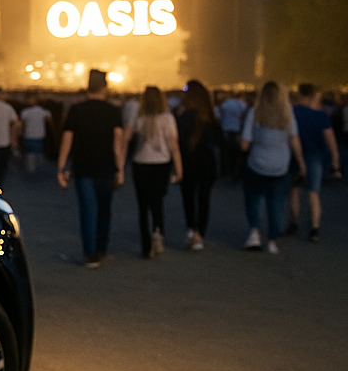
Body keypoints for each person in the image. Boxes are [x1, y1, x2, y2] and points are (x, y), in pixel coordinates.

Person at [56, 70, 125, 268]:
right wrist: (120, 170)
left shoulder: (76, 110)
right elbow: (117, 144)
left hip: (83, 167)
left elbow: (67, 140)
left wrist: (61, 168)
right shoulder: (113, 111)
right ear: (105, 87)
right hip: (106, 167)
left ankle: (90, 254)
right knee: (104, 210)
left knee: (88, 210)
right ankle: (102, 247)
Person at [240, 80, 304, 254]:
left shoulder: (255, 112)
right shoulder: (287, 113)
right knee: (276, 204)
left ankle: (254, 232)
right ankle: (273, 240)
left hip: (257, 164)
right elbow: (294, 139)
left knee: (253, 200)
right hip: (280, 166)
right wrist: (301, 161)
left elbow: (245, 144)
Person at [127, 86, 183, 258]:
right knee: (157, 201)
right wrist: (179, 170)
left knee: (143, 206)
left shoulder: (138, 118)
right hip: (161, 163)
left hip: (141, 162)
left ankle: (145, 245)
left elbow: (127, 139)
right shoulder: (167, 118)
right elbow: (174, 146)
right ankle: (157, 232)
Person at [288, 83, 341, 241]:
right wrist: (335, 159)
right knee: (313, 191)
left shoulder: (291, 112)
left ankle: (294, 222)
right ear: (314, 96)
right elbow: (330, 139)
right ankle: (314, 227)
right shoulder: (320, 116)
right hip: (315, 155)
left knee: (294, 190)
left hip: (294, 154)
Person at [175, 80, 223, 251]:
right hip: (207, 162)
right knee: (204, 198)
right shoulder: (211, 118)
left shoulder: (184, 117)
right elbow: (220, 142)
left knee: (188, 197)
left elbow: (178, 141)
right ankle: (199, 233)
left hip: (189, 161)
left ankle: (191, 229)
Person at [219, 89, 249, 178]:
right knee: (235, 151)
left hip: (226, 129)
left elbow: (221, 112)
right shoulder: (242, 105)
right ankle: (234, 168)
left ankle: (224, 170)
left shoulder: (226, 103)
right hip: (236, 130)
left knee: (225, 151)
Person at [19, 94, 53, 173]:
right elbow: (49, 121)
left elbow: (22, 125)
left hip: (29, 135)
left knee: (30, 155)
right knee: (39, 154)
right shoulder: (43, 111)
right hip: (40, 135)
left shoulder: (25, 112)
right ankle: (39, 170)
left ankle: (30, 170)